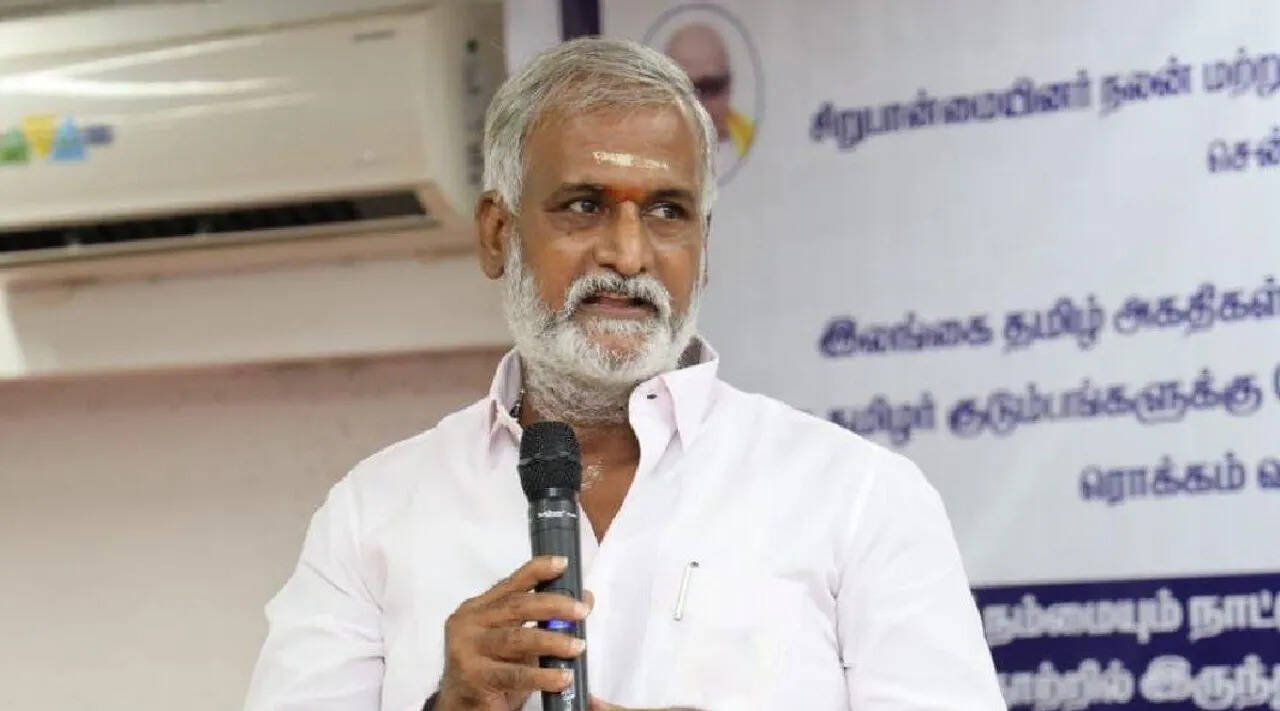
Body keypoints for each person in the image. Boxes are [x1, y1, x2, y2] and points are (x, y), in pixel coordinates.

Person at [244, 37, 1003, 711]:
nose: (629, 255)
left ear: (704, 244)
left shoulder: (858, 497)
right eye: (584, 205)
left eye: (668, 212)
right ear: (498, 234)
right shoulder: (373, 514)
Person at [663, 23, 754, 177]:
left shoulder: (759, 144)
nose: (700, 103)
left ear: (728, 84)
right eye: (684, 89)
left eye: (712, 86)